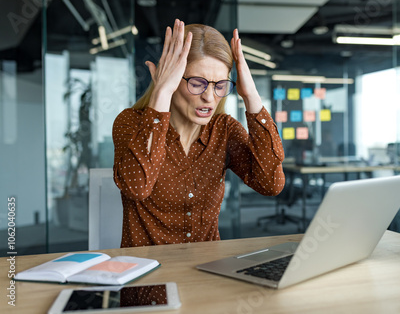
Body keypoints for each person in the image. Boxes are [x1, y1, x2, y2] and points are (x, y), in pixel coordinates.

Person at [112, 19, 285, 247]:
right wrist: (161, 92)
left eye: (219, 85)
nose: (209, 97)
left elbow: (271, 184)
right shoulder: (132, 122)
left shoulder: (223, 129)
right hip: (149, 276)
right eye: (197, 83)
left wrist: (251, 96)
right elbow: (137, 187)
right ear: (172, 79)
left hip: (206, 270)